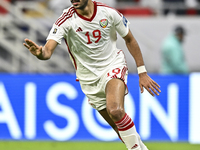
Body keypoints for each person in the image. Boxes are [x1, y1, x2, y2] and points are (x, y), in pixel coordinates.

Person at [23, 0, 161, 149]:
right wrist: (40, 53)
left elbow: (130, 39)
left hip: (112, 65)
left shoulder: (108, 13)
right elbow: (48, 51)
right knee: (118, 127)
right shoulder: (65, 20)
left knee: (115, 110)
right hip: (88, 80)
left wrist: (142, 72)